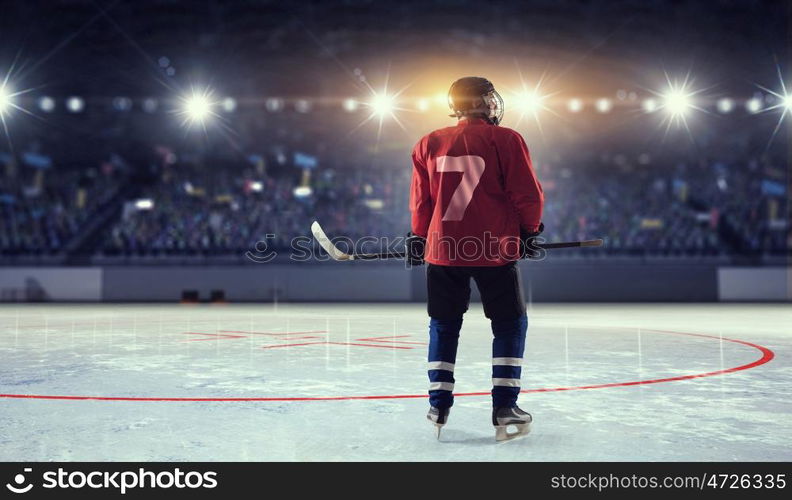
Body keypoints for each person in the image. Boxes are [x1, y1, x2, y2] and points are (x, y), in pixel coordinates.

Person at [406, 76, 544, 441]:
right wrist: (529, 231)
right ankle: (504, 406)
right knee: (510, 324)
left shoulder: (427, 143)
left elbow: (422, 203)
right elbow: (526, 193)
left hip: (444, 250)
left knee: (443, 324)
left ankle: (438, 404)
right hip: (493, 248)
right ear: (483, 101)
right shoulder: (507, 139)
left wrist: (420, 237)